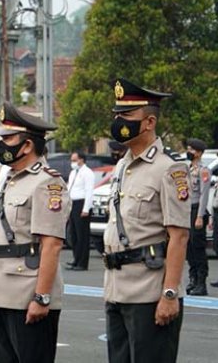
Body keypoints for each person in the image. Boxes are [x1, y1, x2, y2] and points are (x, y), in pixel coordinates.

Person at [102, 78, 190, 362]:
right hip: (116, 288)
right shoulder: (122, 166)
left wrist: (169, 293)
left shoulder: (169, 168)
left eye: (127, 116)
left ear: (149, 122)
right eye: (117, 115)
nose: (119, 121)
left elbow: (178, 236)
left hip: (149, 292)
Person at [0, 101, 69, 363]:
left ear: (27, 145)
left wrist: (42, 297)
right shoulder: (11, 178)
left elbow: (51, 245)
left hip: (27, 293)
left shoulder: (46, 182)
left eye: (8, 138)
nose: (2, 144)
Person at [185, 138, 210, 296]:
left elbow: (203, 195)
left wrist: (200, 216)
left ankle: (201, 283)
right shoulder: (187, 168)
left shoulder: (204, 170)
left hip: (197, 211)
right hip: (187, 211)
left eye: (192, 150)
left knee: (198, 248)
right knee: (188, 248)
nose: (189, 152)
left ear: (199, 153)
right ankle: (192, 279)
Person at [66, 151, 95, 271]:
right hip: (73, 203)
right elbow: (70, 188)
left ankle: (82, 263)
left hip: (82, 203)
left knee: (82, 235)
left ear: (81, 160)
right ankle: (76, 259)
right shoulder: (74, 172)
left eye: (74, 160)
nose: (73, 163)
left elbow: (89, 191)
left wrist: (86, 208)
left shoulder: (87, 173)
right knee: (74, 234)